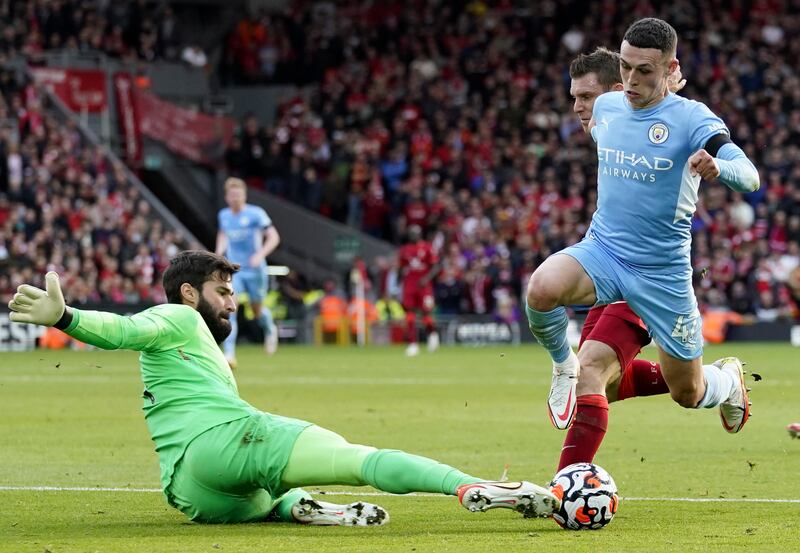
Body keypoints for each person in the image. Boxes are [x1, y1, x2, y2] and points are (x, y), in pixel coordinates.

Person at [7, 251, 560, 525]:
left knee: (269, 494)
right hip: (226, 440)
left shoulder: (190, 346)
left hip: (189, 491)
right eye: (222, 291)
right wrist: (67, 318)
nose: (232, 301)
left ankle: (312, 511)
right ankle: (471, 487)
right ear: (189, 293)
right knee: (358, 458)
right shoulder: (178, 318)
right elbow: (126, 329)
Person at [527, 18, 757, 443]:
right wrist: (654, 84)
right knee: (542, 290)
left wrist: (717, 166)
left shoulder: (693, 119)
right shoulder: (607, 108)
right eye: (626, 68)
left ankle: (725, 381)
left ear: (670, 68)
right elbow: (608, 114)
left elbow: (749, 175)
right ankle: (564, 365)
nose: (631, 80)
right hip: (604, 252)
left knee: (687, 392)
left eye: (644, 71)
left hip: (661, 272)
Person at [216, 177, 279, 367]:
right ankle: (229, 354)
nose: (236, 198)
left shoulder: (255, 214)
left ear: (244, 195)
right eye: (232, 195)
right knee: (230, 307)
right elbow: (223, 233)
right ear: (227, 197)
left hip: (256, 269)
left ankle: (270, 329)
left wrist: (260, 254)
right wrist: (219, 252)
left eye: (239, 194)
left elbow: (274, 237)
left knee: (256, 310)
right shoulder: (224, 215)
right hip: (235, 270)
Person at [398, 225, 440, 356]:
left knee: (426, 313)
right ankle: (412, 344)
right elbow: (401, 268)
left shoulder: (427, 247)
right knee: (409, 313)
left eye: (416, 233)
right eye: (411, 233)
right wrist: (397, 284)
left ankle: (432, 334)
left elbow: (436, 266)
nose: (413, 235)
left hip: (424, 285)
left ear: (420, 234)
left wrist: (426, 278)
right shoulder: (404, 250)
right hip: (409, 284)